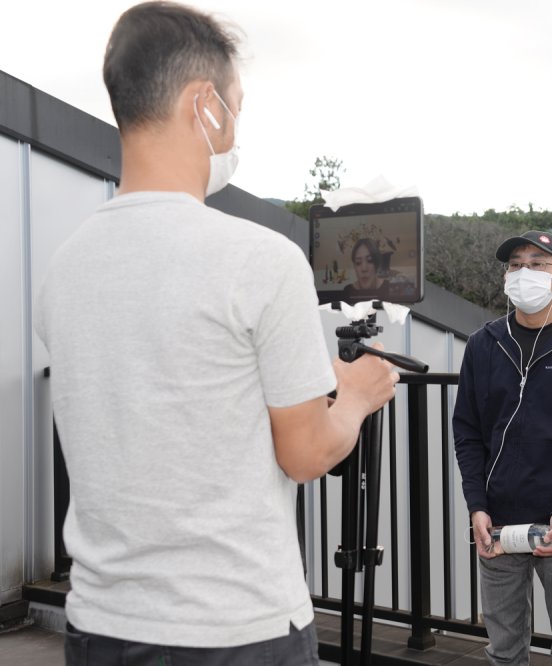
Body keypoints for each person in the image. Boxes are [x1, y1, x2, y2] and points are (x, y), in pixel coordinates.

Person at [33, 3, 398, 663]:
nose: (234, 127)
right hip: (236, 630)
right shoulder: (259, 260)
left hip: (100, 626)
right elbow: (308, 452)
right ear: (204, 105)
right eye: (235, 107)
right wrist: (359, 396)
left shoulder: (65, 267)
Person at [453, 230, 552, 665]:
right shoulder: (484, 345)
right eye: (515, 265)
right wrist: (476, 506)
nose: (524, 273)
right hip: (498, 523)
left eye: (538, 264)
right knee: (503, 650)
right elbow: (467, 432)